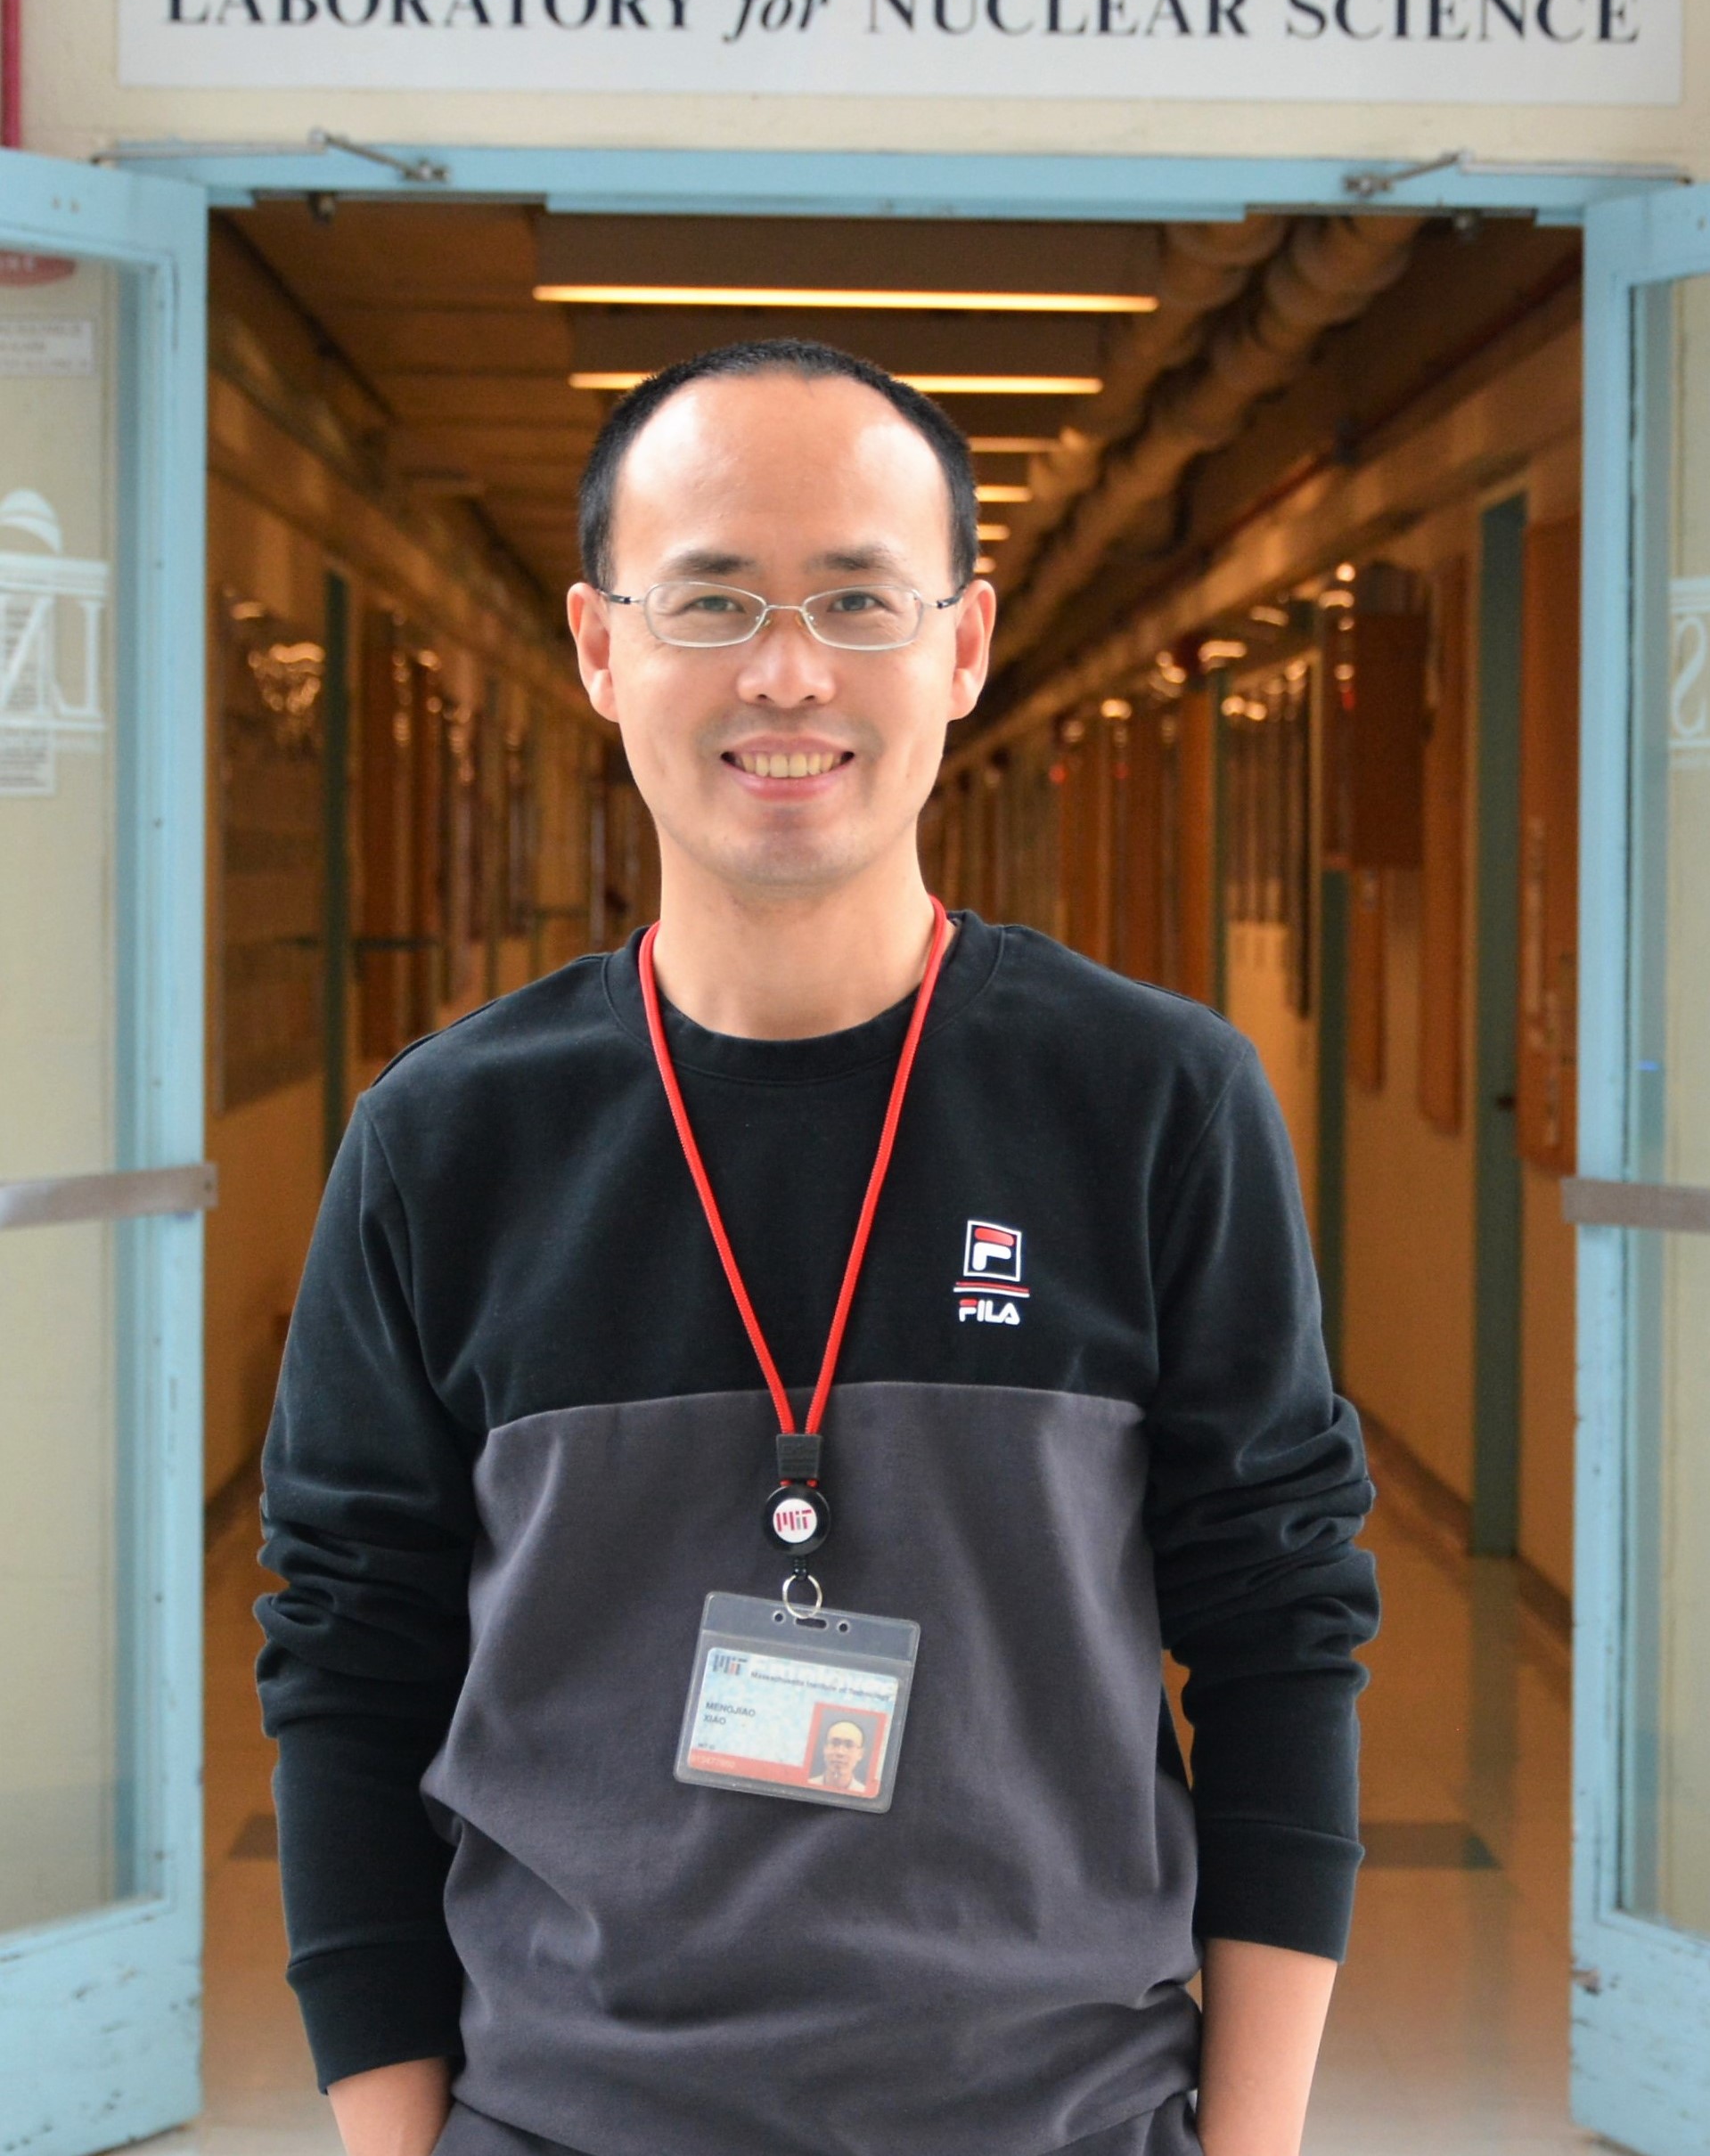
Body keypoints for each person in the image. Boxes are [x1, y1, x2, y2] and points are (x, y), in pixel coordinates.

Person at [258, 337, 1379, 2156]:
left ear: (961, 641)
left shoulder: (1149, 1102)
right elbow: (346, 1658)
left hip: (1063, 2120)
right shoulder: (445, 1142)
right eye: (710, 600)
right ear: (597, 644)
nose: (785, 670)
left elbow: (1278, 1628)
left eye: (856, 598)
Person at [808, 1718, 871, 1793]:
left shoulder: (865, 1794)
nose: (840, 1752)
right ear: (825, 1748)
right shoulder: (806, 1786)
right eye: (834, 1743)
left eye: (849, 1745)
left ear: (860, 1754)